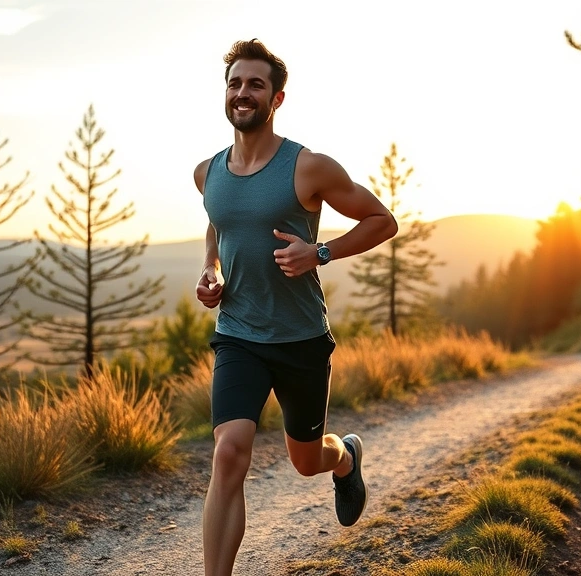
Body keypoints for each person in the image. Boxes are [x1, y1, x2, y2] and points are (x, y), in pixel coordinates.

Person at [192, 38, 398, 576]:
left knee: (307, 462)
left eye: (255, 84)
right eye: (235, 82)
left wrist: (320, 252)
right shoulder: (207, 173)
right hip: (238, 333)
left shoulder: (308, 167)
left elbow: (382, 220)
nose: (243, 92)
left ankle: (345, 457)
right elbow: (218, 220)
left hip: (300, 337)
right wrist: (211, 269)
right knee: (229, 452)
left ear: (276, 98)